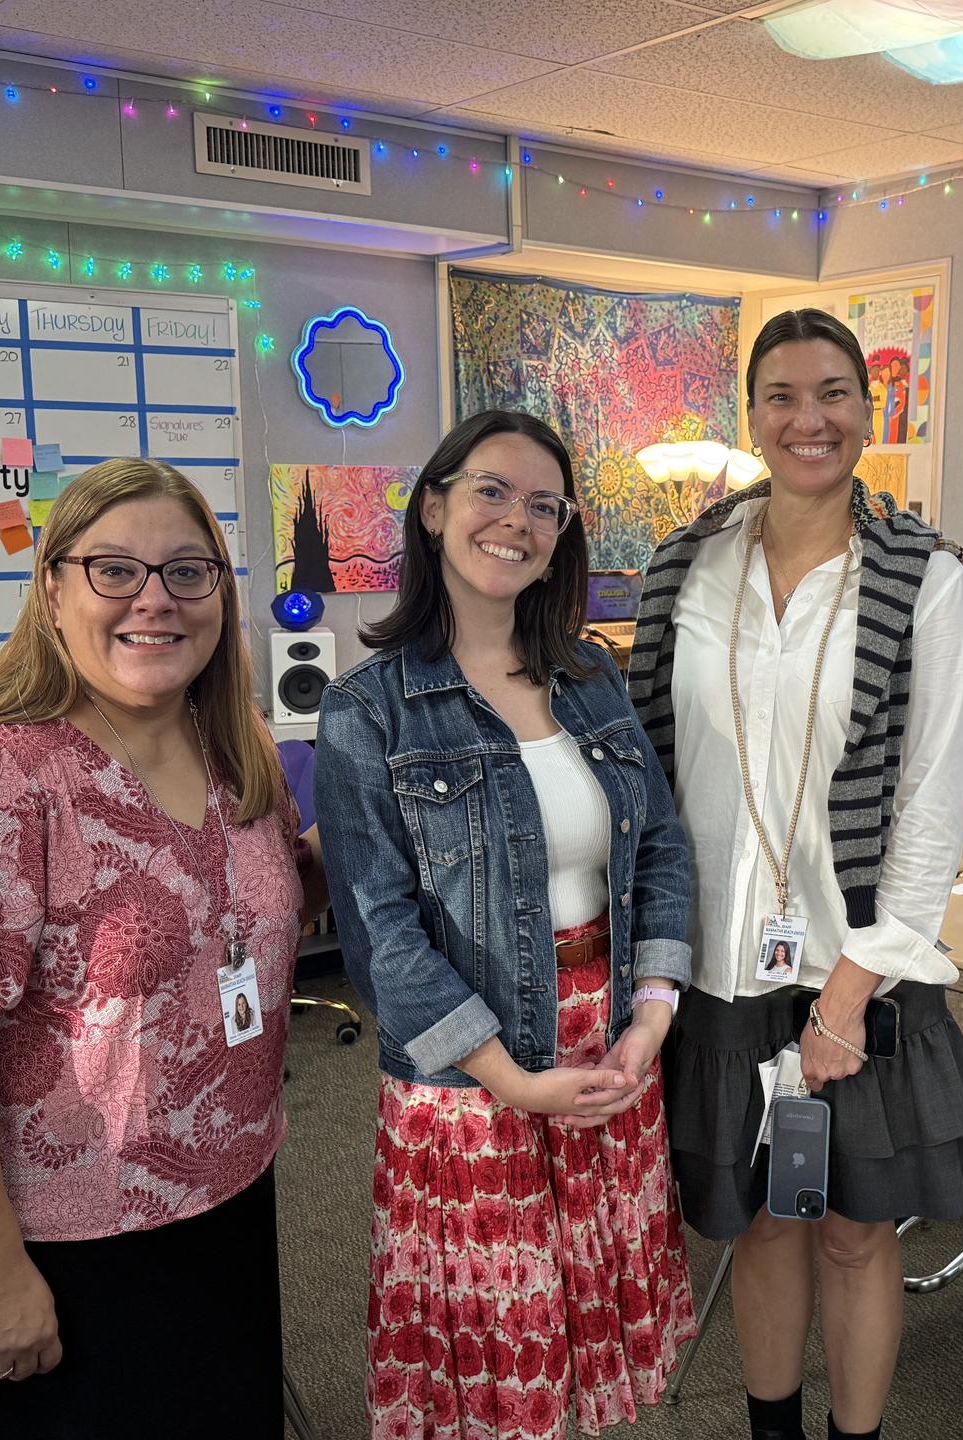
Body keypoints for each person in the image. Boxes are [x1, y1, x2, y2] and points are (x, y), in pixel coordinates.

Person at [0, 457, 323, 1439]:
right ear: (53, 589)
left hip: (228, 1202)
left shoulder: (232, 746)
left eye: (188, 572)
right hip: (56, 1246)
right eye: (115, 570)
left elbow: (264, 910)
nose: (155, 600)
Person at [629, 309, 963, 1440]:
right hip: (725, 962)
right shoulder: (690, 564)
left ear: (869, 414)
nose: (808, 418)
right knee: (758, 1225)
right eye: (780, 396)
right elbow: (652, 761)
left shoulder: (923, 579)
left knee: (853, 1229)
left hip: (857, 967)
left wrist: (848, 993)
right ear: (752, 417)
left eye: (833, 393)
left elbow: (932, 800)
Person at [314, 409, 697, 1440]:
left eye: (544, 505)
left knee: (591, 1336)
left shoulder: (592, 680)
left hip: (611, 1046)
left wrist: (651, 1019)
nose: (515, 521)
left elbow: (658, 848)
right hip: (474, 1079)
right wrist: (513, 1081)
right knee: (495, 1356)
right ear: (434, 507)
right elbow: (378, 931)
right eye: (491, 491)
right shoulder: (371, 709)